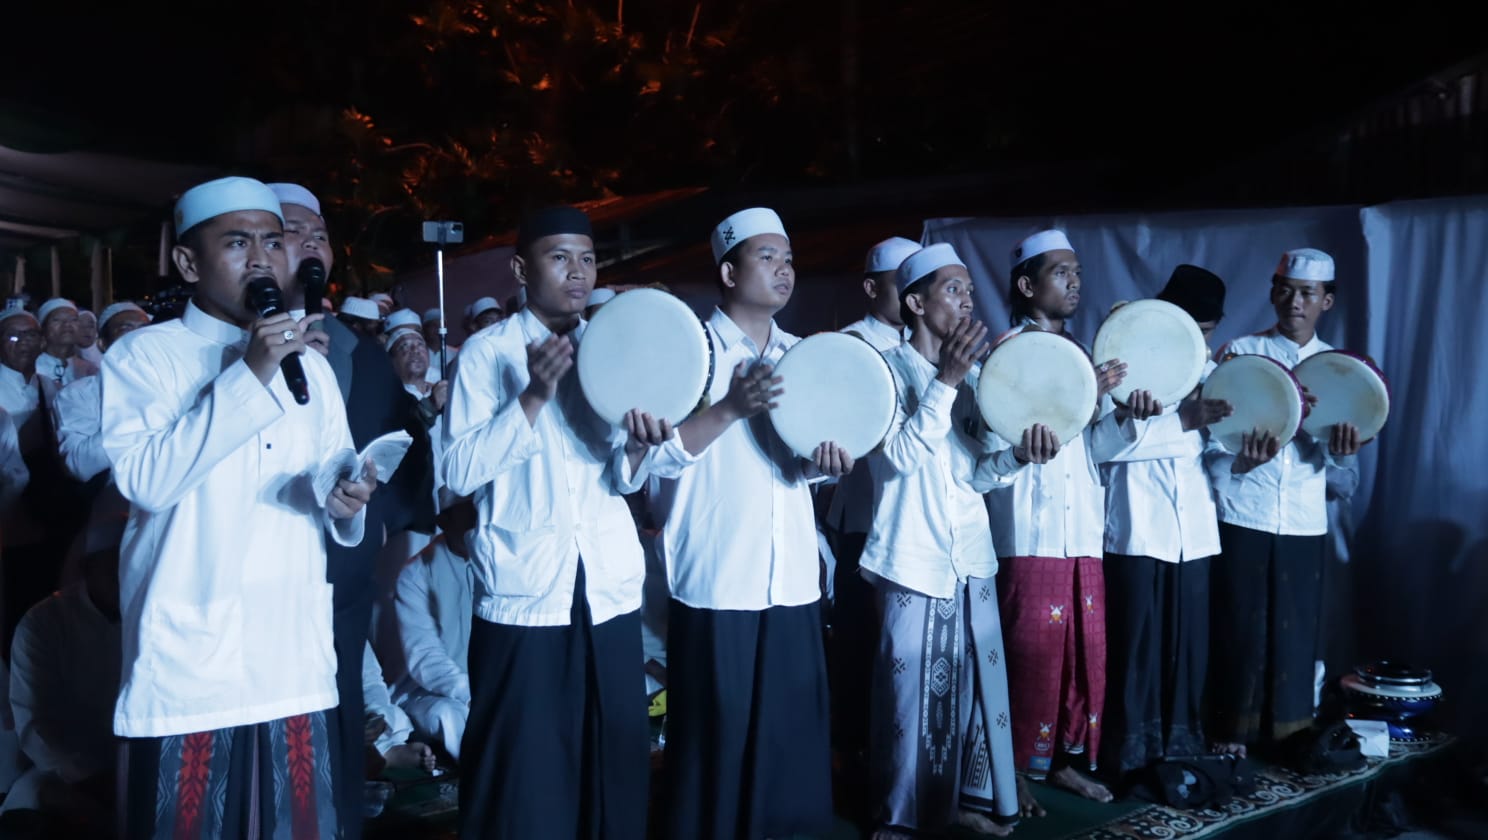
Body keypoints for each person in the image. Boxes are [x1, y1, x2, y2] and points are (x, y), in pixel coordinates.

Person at [101, 176, 376, 837]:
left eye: (273, 241)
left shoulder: (307, 361)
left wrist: (347, 498)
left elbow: (330, 479)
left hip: (294, 658)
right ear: (190, 263)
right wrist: (249, 373)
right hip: (194, 666)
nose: (262, 259)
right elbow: (147, 480)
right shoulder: (145, 355)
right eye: (238, 242)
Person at [441, 205, 679, 840]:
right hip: (526, 594)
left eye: (587, 258)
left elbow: (623, 479)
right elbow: (457, 471)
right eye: (559, 257)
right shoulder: (486, 354)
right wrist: (533, 395)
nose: (577, 272)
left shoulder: (613, 352)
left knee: (612, 755)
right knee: (524, 764)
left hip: (604, 587)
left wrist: (638, 445)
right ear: (521, 269)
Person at [658, 207, 854, 840]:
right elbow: (656, 460)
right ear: (727, 269)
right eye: (767, 257)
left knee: (790, 734)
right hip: (718, 576)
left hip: (792, 574)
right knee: (717, 734)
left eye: (788, 258)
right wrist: (730, 409)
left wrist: (828, 462)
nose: (784, 270)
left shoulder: (807, 356)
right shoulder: (692, 353)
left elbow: (807, 466)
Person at [863, 244, 1058, 838]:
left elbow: (974, 473)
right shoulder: (883, 370)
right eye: (953, 290)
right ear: (916, 303)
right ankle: (902, 820)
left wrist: (1018, 456)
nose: (967, 300)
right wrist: (943, 383)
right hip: (911, 555)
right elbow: (895, 460)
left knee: (972, 688)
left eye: (970, 291)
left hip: (970, 554)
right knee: (909, 699)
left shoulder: (977, 378)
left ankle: (964, 803)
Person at [271, 181, 435, 840]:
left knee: (336, 722)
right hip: (262, 588)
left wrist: (391, 547)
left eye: (320, 234)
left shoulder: (360, 351)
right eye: (291, 232)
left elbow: (405, 459)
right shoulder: (222, 348)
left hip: (343, 581)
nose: (311, 245)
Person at [987, 229, 1130, 806]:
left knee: (1080, 653)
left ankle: (1065, 760)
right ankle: (1014, 771)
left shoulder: (1082, 357)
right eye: (1060, 273)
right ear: (1026, 285)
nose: (1074, 282)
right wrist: (1081, 395)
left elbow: (1096, 448)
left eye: (1077, 272)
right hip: (1029, 529)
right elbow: (1002, 439)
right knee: (1031, 655)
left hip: (1081, 531)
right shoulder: (1004, 357)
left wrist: (1127, 417)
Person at [1204, 248, 1362, 757]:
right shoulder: (1240, 354)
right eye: (1285, 290)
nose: (1294, 302)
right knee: (1239, 624)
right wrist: (1240, 463)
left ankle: (1289, 734)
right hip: (1243, 512)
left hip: (1302, 520)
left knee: (1294, 633)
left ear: (1327, 301)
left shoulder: (1343, 372)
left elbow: (1347, 484)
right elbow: (1209, 446)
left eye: (1307, 293)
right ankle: (1230, 733)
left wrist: (1340, 454)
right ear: (1273, 293)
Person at [1096, 265, 1234, 782]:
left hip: (1193, 529)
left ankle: (1183, 745)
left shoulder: (1212, 369)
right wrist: (1185, 422)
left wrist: (1241, 437)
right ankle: (1128, 756)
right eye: (1189, 330)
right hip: (1136, 525)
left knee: (1188, 644)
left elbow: (1219, 447)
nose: (1197, 343)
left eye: (1205, 333)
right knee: (1136, 645)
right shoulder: (1123, 358)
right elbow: (1105, 448)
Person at [824, 235, 920, 766]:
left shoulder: (932, 343)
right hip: (866, 515)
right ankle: (852, 746)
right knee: (862, 634)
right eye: (899, 280)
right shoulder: (850, 345)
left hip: (922, 520)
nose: (911, 291)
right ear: (871, 287)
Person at [389, 536, 474, 760]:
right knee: (449, 716)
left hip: (484, 691)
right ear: (444, 518)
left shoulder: (496, 561)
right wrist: (471, 695)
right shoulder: (417, 572)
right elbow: (425, 659)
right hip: (425, 695)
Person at [53, 302, 152, 484]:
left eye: (144, 330)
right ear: (103, 344)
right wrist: (144, 415)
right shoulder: (79, 394)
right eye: (126, 330)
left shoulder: (172, 384)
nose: (138, 337)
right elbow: (79, 465)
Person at [34, 299, 98, 387]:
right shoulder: (32, 367)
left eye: (73, 320)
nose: (67, 324)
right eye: (57, 320)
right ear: (43, 327)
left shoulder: (89, 370)